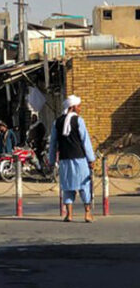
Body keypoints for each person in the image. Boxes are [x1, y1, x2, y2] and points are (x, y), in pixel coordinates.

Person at [49, 95, 96, 223]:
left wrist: (51, 160)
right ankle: (87, 214)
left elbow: (53, 143)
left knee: (67, 187)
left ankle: (69, 214)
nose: (80, 109)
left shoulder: (57, 122)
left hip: (64, 160)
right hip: (80, 160)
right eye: (79, 106)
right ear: (73, 107)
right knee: (84, 186)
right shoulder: (79, 121)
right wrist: (91, 159)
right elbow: (85, 141)